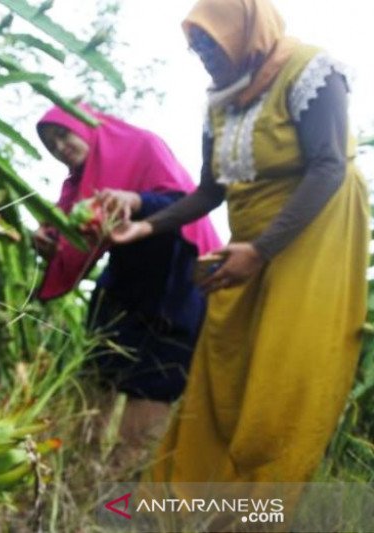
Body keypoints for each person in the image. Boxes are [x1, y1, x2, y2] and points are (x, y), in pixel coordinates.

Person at [111, 0, 369, 483]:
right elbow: (211, 190)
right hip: (250, 236)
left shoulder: (310, 70)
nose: (203, 53)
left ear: (243, 29)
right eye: (196, 45)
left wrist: (262, 251)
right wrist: (148, 225)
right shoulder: (221, 100)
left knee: (283, 364)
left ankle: (256, 505)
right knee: (225, 360)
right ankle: (188, 499)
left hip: (313, 232)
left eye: (211, 40)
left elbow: (329, 165)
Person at [33, 104, 222, 477]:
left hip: (178, 275)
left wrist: (135, 201)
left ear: (85, 125)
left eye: (63, 134)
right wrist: (46, 236)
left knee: (152, 384)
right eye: (51, 144)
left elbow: (184, 202)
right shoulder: (78, 184)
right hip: (125, 279)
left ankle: (114, 489)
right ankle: (75, 479)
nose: (59, 147)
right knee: (96, 370)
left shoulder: (143, 146)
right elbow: (61, 227)